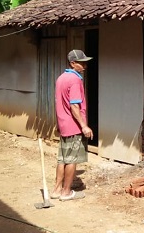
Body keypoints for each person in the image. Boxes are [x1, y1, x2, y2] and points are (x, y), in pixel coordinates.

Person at [51, 49, 94, 201]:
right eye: (82, 63)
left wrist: (58, 123)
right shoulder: (75, 80)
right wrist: (84, 126)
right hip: (73, 126)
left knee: (62, 159)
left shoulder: (61, 78)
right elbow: (74, 106)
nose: (85, 66)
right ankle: (66, 192)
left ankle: (56, 190)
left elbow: (59, 103)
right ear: (73, 63)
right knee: (71, 160)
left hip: (64, 125)